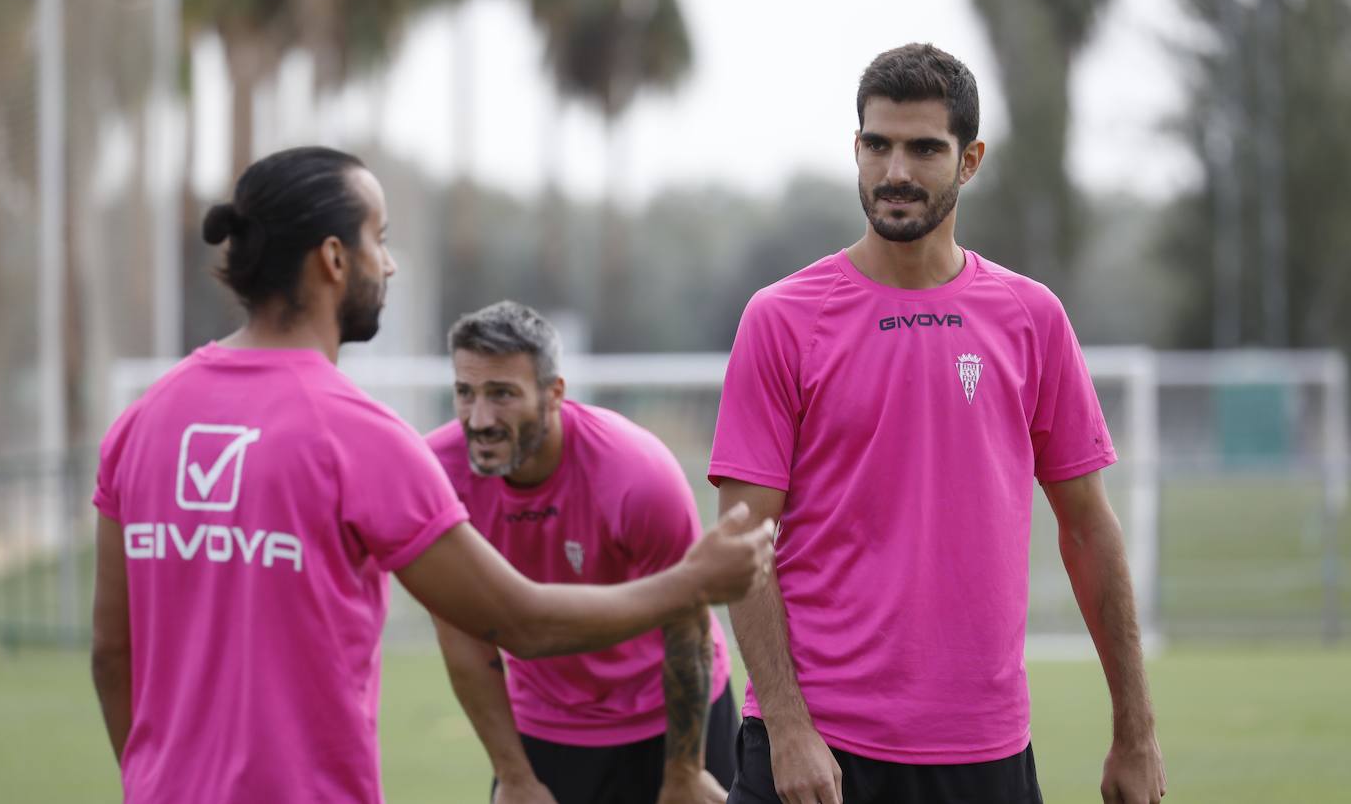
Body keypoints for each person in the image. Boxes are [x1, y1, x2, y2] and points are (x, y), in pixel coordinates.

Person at [88, 146, 774, 804]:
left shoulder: (141, 422)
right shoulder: (362, 437)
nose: (387, 264)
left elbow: (112, 655)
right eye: (377, 239)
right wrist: (691, 583)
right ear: (333, 260)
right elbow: (517, 621)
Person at [710, 44, 1166, 804]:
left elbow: (1089, 530)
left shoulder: (1031, 317)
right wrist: (788, 729)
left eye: (924, 148)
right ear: (855, 149)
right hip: (818, 748)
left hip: (985, 751)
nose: (896, 171)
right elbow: (741, 544)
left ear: (971, 159)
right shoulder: (781, 319)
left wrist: (1137, 731)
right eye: (877, 144)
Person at [426, 301, 737, 804]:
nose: (479, 419)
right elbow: (464, 639)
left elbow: (689, 627)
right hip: (548, 725)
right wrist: (514, 776)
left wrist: (683, 774)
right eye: (466, 393)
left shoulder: (637, 476)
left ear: (554, 395)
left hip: (673, 718)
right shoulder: (434, 476)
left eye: (502, 394)